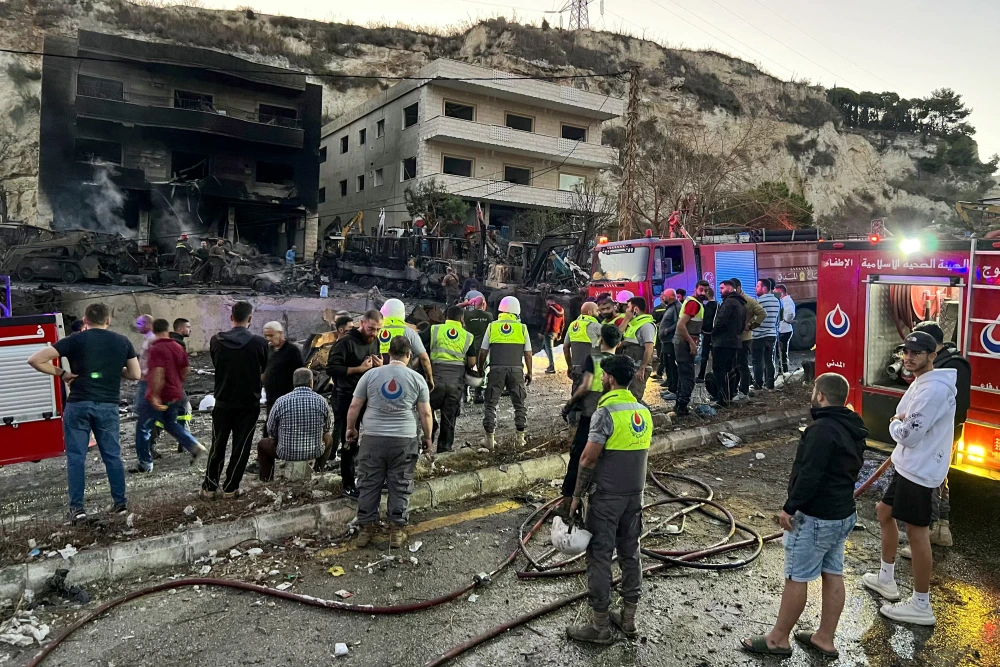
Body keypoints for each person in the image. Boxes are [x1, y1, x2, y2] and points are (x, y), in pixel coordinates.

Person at [741, 373, 867, 658]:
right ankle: (825, 638)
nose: (813, 394)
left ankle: (777, 640)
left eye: (814, 390)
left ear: (821, 395)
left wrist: (790, 507)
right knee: (833, 573)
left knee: (796, 577)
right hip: (842, 514)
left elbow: (810, 475)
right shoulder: (853, 425)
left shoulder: (821, 430)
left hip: (816, 517)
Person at [861, 331, 956, 626]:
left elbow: (909, 434)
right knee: (883, 511)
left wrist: (893, 425)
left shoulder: (932, 391)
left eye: (916, 353)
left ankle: (921, 604)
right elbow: (905, 415)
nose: (908, 357)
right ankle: (886, 578)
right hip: (908, 465)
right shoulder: (922, 382)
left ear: (932, 355)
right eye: (906, 352)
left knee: (917, 534)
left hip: (919, 469)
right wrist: (900, 422)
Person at [565, 355, 652, 645]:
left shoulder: (606, 412)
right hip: (634, 496)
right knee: (630, 553)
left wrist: (577, 495)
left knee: (599, 557)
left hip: (607, 497)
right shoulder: (642, 410)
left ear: (611, 379)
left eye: (604, 376)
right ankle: (628, 620)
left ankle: (600, 626)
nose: (602, 380)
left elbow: (588, 457)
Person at [27, 303, 140, 522]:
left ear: (85, 320)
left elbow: (35, 359)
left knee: (76, 458)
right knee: (112, 456)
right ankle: (120, 504)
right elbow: (135, 374)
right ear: (108, 320)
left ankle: (77, 510)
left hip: (79, 405)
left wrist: (62, 373)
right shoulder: (122, 341)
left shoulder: (76, 339)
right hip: (107, 405)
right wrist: (114, 369)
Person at [349, 336, 433, 548]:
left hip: (372, 438)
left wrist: (352, 429)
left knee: (368, 483)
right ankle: (396, 531)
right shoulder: (416, 378)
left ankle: (366, 530)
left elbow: (354, 406)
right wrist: (428, 437)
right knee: (400, 483)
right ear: (408, 355)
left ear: (388, 354)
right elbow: (426, 413)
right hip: (403, 440)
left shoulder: (371, 375)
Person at [900, 321, 971, 554]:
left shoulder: (952, 366)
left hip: (940, 436)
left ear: (932, 349)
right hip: (939, 434)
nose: (910, 356)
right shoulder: (949, 362)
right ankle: (942, 529)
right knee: (941, 479)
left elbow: (956, 406)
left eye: (917, 349)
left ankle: (929, 532)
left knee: (933, 482)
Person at [201, 301, 269, 499]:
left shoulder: (216, 340)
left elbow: (217, 364)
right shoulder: (260, 343)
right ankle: (231, 488)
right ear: (250, 319)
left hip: (223, 402)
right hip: (249, 404)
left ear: (231, 318)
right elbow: (263, 369)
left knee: (217, 444)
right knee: (242, 445)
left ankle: (209, 487)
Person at [135, 318, 207, 471]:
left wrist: (154, 395)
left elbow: (158, 373)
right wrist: (177, 384)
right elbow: (186, 370)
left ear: (154, 330)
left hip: (160, 394)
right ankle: (194, 446)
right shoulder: (177, 346)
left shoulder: (156, 349)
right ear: (167, 330)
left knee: (143, 428)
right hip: (176, 393)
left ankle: (145, 463)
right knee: (170, 423)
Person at [560, 324, 620, 503]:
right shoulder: (622, 362)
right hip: (613, 419)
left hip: (591, 416)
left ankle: (569, 499)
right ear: (619, 342)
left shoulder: (593, 360)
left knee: (578, 456)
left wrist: (569, 405)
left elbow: (585, 386)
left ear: (600, 340)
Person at [326, 309, 383, 496]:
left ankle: (371, 478)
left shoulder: (375, 341)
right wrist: (359, 368)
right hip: (346, 397)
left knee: (375, 437)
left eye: (378, 330)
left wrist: (379, 367)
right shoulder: (345, 342)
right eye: (371, 329)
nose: (374, 333)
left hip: (369, 396)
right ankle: (348, 484)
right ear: (362, 323)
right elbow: (332, 369)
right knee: (349, 439)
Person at [257, 369, 333, 482]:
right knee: (328, 438)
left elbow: (271, 430)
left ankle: (267, 480)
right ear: (311, 382)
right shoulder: (321, 401)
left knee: (262, 444)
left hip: (286, 452)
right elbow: (326, 428)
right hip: (314, 450)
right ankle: (318, 471)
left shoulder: (281, 401)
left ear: (294, 382)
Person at [479, 296, 532, 450]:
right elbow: (528, 353)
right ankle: (520, 439)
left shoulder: (492, 326)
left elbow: (483, 351)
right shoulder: (522, 328)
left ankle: (489, 439)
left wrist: (481, 367)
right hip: (516, 370)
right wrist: (529, 372)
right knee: (519, 403)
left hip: (496, 370)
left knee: (491, 403)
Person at [427, 306, 476, 452]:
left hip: (435, 381)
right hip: (455, 383)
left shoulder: (434, 330)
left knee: (428, 411)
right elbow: (472, 362)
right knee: (449, 416)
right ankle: (444, 447)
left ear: (445, 317)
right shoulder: (468, 336)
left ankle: (427, 443)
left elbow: (418, 345)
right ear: (461, 319)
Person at [673, 281, 709, 417]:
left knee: (683, 375)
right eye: (701, 290)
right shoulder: (693, 304)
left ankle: (679, 406)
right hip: (684, 343)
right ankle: (682, 407)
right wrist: (692, 343)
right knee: (688, 377)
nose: (703, 293)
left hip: (683, 342)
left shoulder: (694, 303)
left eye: (706, 290)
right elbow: (681, 325)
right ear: (695, 289)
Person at [262, 322, 304, 438]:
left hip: (286, 398)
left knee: (283, 428)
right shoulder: (269, 350)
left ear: (280, 333)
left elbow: (300, 373)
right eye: (266, 335)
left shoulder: (292, 351)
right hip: (271, 397)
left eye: (271, 335)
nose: (268, 339)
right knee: (270, 427)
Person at [378, 299, 433, 389]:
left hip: (377, 376)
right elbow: (424, 359)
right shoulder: (409, 332)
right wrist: (429, 379)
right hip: (403, 379)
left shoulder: (374, 329)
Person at [710, 280, 747, 407]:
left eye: (722, 288)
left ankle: (722, 398)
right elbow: (742, 324)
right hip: (735, 341)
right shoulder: (741, 303)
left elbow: (720, 321)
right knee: (730, 369)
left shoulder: (729, 302)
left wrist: (713, 333)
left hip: (722, 342)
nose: (720, 291)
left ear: (730, 289)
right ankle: (729, 395)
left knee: (719, 369)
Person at [131, 314, 158, 473]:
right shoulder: (149, 338)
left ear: (149, 324)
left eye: (140, 323)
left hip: (147, 382)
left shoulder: (152, 340)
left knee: (143, 424)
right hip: (147, 381)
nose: (137, 326)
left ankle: (145, 462)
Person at [733, 277, 765, 401]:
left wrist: (752, 326)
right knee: (735, 366)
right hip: (733, 339)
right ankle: (734, 389)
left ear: (739, 288)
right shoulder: (733, 300)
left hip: (745, 338)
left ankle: (744, 391)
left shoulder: (749, 301)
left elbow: (762, 313)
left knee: (742, 365)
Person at [618, 297, 656, 401]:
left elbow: (649, 349)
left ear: (635, 309)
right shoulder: (634, 324)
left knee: (634, 398)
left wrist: (642, 368)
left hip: (638, 369)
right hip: (630, 367)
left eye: (628, 307)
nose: (626, 310)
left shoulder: (646, 325)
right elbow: (619, 335)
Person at [563, 302, 602, 391]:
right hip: (594, 368)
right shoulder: (597, 326)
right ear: (590, 312)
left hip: (577, 368)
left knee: (577, 395)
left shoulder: (573, 325)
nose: (599, 313)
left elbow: (565, 348)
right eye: (597, 310)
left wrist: (569, 366)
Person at [463, 292, 492, 404]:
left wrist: (467, 303)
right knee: (482, 369)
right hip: (482, 348)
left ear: (473, 304)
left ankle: (466, 394)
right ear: (484, 304)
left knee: (467, 369)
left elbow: (455, 308)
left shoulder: (467, 315)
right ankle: (478, 394)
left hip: (469, 347)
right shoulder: (488, 316)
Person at [751, 278, 780, 391]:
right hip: (771, 334)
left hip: (759, 335)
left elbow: (754, 317)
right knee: (769, 360)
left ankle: (758, 384)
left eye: (757, 286)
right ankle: (770, 385)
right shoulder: (777, 301)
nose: (755, 288)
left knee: (757, 360)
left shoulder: (759, 301)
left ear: (764, 288)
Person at [655, 290, 680, 396]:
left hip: (671, 341)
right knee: (667, 364)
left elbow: (678, 322)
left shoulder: (676, 307)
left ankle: (674, 389)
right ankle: (670, 386)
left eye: (663, 296)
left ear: (670, 297)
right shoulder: (670, 306)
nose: (662, 298)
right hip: (665, 341)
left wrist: (668, 330)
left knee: (672, 365)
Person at [774, 284, 795, 376]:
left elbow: (790, 313)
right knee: (781, 353)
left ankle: (784, 372)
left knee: (782, 353)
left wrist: (786, 320)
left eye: (775, 293)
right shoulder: (784, 300)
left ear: (780, 292)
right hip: (784, 330)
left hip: (785, 330)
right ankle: (782, 371)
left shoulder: (786, 301)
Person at [697, 287, 717, 382]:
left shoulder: (708, 306)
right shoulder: (718, 304)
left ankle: (701, 376)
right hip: (716, 335)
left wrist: (702, 330)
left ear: (707, 294)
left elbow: (706, 320)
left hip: (708, 334)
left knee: (704, 356)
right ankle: (715, 375)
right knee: (715, 356)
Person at [542, 298, 565, 374]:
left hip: (549, 332)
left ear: (550, 301)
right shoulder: (561, 310)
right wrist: (560, 334)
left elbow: (548, 321)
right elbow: (562, 323)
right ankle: (551, 364)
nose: (546, 304)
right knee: (544, 346)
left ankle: (552, 367)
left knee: (549, 349)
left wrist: (543, 332)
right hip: (556, 332)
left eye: (547, 302)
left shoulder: (550, 310)